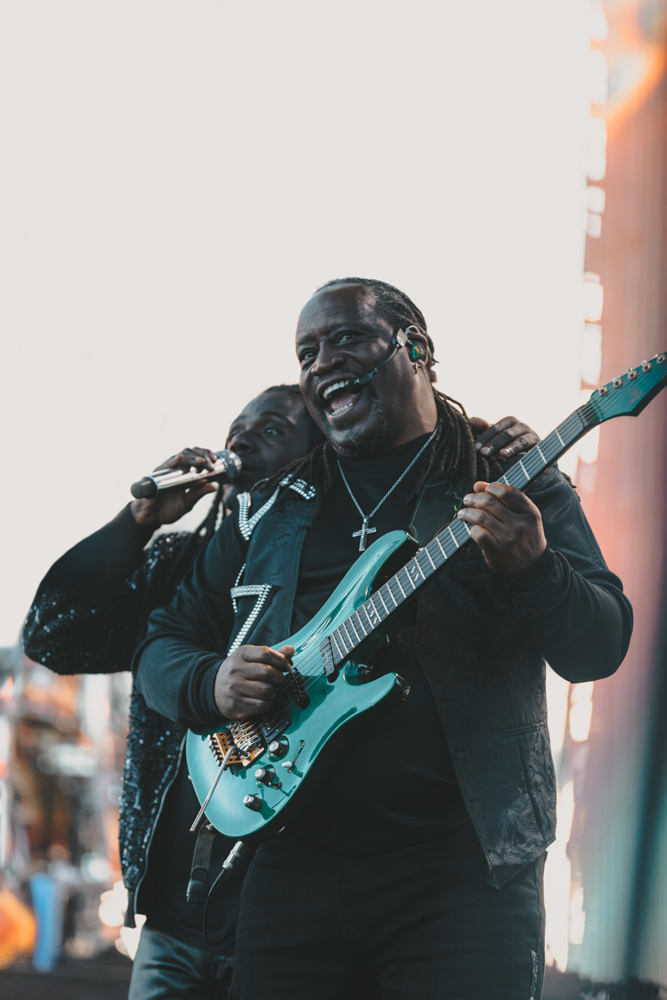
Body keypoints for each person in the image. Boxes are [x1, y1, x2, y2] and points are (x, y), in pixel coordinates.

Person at [133, 277, 633, 1000]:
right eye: (306, 351)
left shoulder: (509, 478)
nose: (320, 361)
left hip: (463, 879)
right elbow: (163, 642)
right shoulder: (273, 507)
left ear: (416, 348)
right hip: (288, 874)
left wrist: (535, 568)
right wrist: (208, 684)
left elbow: (600, 645)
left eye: (346, 339)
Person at [23, 375, 536, 1000]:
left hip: (288, 915)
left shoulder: (350, 564)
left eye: (271, 430)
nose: (242, 439)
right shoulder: (189, 560)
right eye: (237, 427)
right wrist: (136, 523)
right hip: (177, 922)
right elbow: (51, 635)